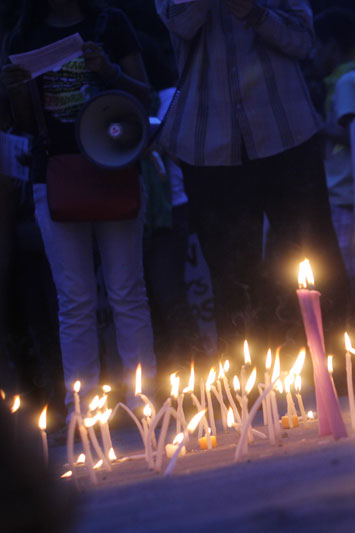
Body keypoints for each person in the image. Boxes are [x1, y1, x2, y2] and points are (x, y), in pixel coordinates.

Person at [155, 0, 351, 355]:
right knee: (231, 272)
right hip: (209, 143)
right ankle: (252, 384)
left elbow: (304, 41)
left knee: (313, 252)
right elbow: (178, 22)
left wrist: (256, 12)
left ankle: (339, 364)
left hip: (286, 129)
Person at [1, 0, 157, 408]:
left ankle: (145, 402)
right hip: (55, 174)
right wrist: (16, 90)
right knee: (75, 298)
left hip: (114, 165)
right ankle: (84, 413)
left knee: (126, 290)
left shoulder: (109, 23)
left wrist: (109, 71)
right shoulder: (22, 38)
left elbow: (148, 99)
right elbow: (23, 123)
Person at [311, 8, 355, 325]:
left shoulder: (346, 83)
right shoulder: (347, 79)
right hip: (347, 191)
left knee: (352, 271)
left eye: (316, 46)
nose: (313, 54)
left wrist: (315, 126)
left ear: (332, 45)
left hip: (346, 192)